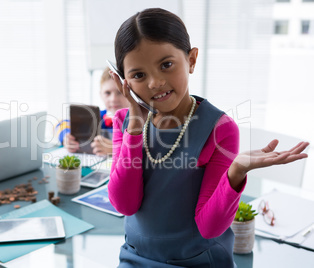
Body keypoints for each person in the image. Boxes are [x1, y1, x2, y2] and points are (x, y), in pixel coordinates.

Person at [108, 8, 309, 267]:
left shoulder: (220, 129)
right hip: (136, 258)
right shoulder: (126, 123)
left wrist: (235, 172)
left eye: (166, 65)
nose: (155, 83)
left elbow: (209, 228)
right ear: (124, 81)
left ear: (191, 60)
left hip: (198, 262)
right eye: (138, 75)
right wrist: (134, 129)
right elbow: (125, 203)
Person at [56, 66, 129, 156]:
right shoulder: (97, 116)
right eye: (107, 93)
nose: (113, 99)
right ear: (101, 95)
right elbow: (60, 123)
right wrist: (66, 137)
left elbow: (145, 149)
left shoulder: (137, 121)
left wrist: (116, 148)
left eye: (119, 92)